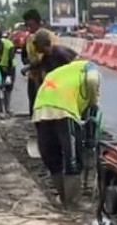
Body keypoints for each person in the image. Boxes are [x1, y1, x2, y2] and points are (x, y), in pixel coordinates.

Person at [33, 59, 100, 210]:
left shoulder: (58, 72)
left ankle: (63, 198)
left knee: (52, 158)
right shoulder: (88, 67)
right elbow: (92, 79)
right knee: (73, 158)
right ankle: (74, 203)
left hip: (40, 110)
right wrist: (93, 102)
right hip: (65, 111)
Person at [20, 9, 57, 115]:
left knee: (46, 105)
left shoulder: (49, 37)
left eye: (31, 25)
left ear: (38, 23)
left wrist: (28, 67)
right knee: (33, 103)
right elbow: (26, 55)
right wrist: (26, 60)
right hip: (33, 76)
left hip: (47, 77)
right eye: (26, 25)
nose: (28, 28)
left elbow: (46, 58)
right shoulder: (29, 38)